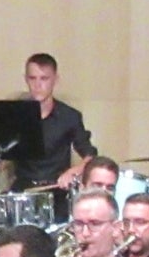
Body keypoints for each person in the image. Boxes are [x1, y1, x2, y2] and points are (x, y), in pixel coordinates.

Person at [14, 53, 98, 190]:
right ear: (25, 80)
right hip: (23, 189)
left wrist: (73, 171)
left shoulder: (69, 116)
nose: (37, 85)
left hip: (57, 188)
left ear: (55, 80)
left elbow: (90, 155)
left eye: (44, 79)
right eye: (32, 78)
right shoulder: (15, 114)